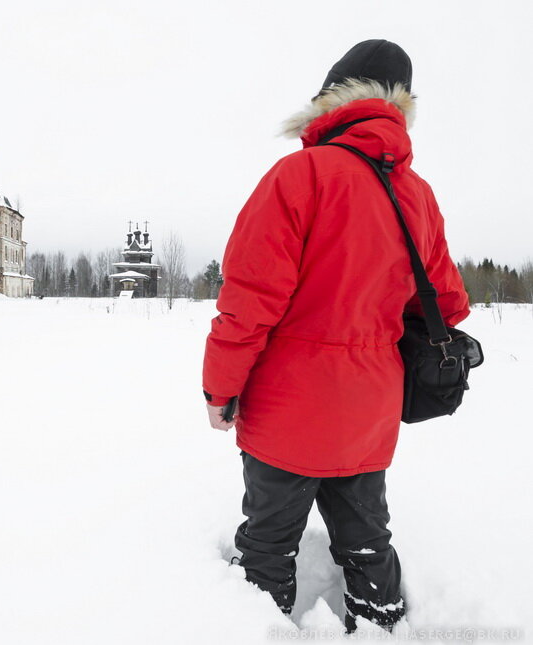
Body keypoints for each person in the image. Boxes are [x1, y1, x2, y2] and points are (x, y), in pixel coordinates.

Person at [201, 40, 470, 631]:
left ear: (333, 97)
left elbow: (248, 303)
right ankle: (382, 625)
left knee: (267, 546)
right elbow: (449, 303)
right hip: (369, 412)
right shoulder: (418, 196)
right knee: (368, 541)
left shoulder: (299, 176)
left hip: (285, 411)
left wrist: (221, 390)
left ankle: (258, 628)